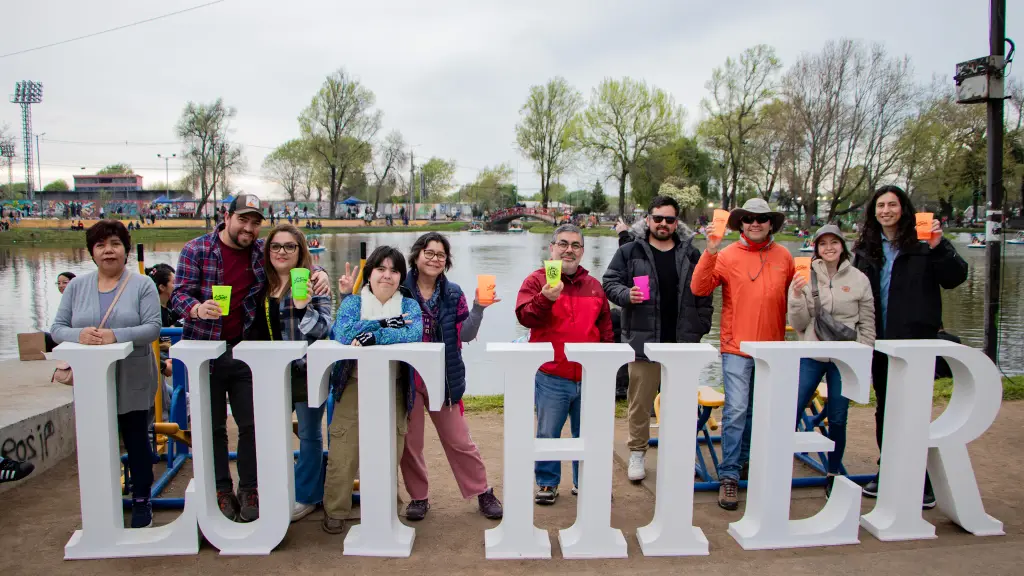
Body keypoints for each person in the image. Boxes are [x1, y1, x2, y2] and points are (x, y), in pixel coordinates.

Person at [170, 194, 330, 523]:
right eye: (243, 219)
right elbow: (178, 294)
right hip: (207, 350)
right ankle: (219, 489)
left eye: (256, 222)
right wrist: (197, 309)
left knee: (252, 427)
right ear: (226, 217)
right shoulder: (197, 249)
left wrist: (321, 273)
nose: (249, 227)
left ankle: (252, 489)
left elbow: (296, 259)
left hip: (248, 356)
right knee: (211, 427)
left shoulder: (260, 250)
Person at [851, 185, 967, 507]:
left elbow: (956, 278)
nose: (886, 210)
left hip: (915, 340)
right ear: (874, 212)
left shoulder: (923, 242)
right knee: (886, 408)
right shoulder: (866, 248)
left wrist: (939, 246)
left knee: (914, 410)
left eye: (892, 204)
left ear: (904, 208)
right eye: (880, 205)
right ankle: (888, 469)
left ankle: (922, 481)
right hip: (880, 339)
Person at [51, 219, 162, 528]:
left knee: (137, 442)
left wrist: (116, 335)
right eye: (100, 246)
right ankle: (102, 503)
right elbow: (57, 329)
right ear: (91, 252)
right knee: (97, 444)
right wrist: (79, 336)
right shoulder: (76, 286)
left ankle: (142, 501)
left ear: (125, 250)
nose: (108, 251)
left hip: (132, 378)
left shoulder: (142, 284)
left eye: (114, 244)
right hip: (92, 384)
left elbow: (152, 326)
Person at [691, 198, 794, 511]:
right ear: (740, 224)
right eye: (748, 219)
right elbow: (699, 288)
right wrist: (710, 250)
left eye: (762, 219)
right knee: (736, 411)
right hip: (736, 347)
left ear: (771, 224)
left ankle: (746, 462)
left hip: (772, 350)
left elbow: (796, 298)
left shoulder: (785, 256)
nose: (755, 223)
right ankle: (730, 476)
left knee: (758, 411)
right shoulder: (727, 255)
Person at [602, 196, 713, 481]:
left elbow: (704, 291)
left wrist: (701, 324)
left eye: (670, 219)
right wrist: (627, 295)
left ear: (677, 223)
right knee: (640, 402)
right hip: (643, 341)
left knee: (681, 403)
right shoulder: (630, 251)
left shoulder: (690, 253)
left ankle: (678, 454)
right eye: (658, 218)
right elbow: (610, 282)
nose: (664, 224)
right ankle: (638, 452)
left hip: (681, 341)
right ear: (648, 219)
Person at [399, 232, 503, 521]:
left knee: (460, 440)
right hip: (407, 379)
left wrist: (479, 308)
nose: (435, 259)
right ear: (417, 255)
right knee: (411, 443)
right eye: (429, 253)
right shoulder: (400, 289)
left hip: (444, 376)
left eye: (441, 255)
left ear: (447, 261)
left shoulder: (453, 293)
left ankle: (482, 490)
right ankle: (418, 497)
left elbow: (465, 334)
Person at [321, 246, 423, 535]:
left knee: (391, 448)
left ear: (401, 276)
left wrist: (373, 335)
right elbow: (343, 332)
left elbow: (413, 331)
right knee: (344, 448)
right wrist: (387, 325)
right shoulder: (353, 302)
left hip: (395, 385)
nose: (387, 276)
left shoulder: (409, 305)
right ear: (370, 273)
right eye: (381, 269)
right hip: (353, 382)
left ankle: (386, 509)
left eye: (394, 270)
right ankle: (336, 509)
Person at [516, 224, 613, 505]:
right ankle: (547, 483)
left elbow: (606, 330)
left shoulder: (594, 286)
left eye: (575, 245)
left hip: (590, 374)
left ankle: (586, 482)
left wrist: (605, 366)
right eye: (563, 244)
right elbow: (525, 317)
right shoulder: (537, 281)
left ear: (582, 252)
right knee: (548, 431)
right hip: (551, 373)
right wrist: (545, 298)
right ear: (552, 248)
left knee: (588, 432)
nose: (568, 249)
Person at [250, 224, 334, 523]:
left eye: (289, 246)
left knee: (310, 434)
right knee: (269, 432)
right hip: (269, 371)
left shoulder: (315, 282)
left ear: (301, 250)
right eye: (276, 246)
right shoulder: (259, 281)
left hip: (306, 370)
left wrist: (302, 308)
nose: (282, 252)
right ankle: (272, 489)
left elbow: (324, 328)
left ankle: (307, 495)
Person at [787, 224, 875, 498]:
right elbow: (799, 324)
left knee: (838, 417)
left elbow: (867, 320)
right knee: (791, 409)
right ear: (815, 248)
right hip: (812, 352)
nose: (828, 247)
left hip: (844, 357)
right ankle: (779, 465)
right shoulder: (805, 275)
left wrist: (864, 354)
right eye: (822, 243)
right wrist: (796, 296)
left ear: (842, 246)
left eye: (833, 242)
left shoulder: (859, 278)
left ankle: (833, 472)